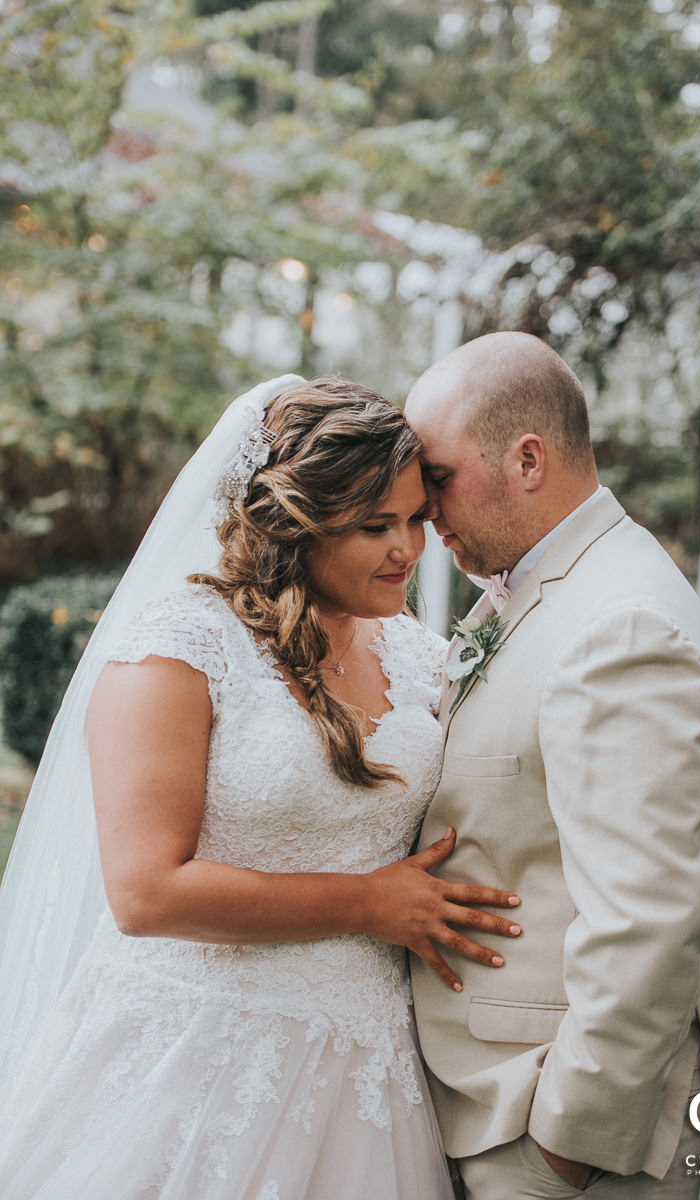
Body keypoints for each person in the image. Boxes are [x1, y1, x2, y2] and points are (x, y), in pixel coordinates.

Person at [0, 375, 525, 1200]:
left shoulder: (416, 653)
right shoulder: (176, 651)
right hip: (196, 1056)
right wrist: (366, 904)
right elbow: (145, 894)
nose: (408, 551)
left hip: (367, 1065)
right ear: (294, 526)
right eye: (372, 527)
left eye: (416, 519)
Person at [404, 332, 700, 1199]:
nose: (419, 504)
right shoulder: (551, 587)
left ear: (527, 459)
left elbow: (651, 921)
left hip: (557, 1126)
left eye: (436, 476)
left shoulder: (619, 628)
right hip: (497, 1090)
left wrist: (563, 1147)